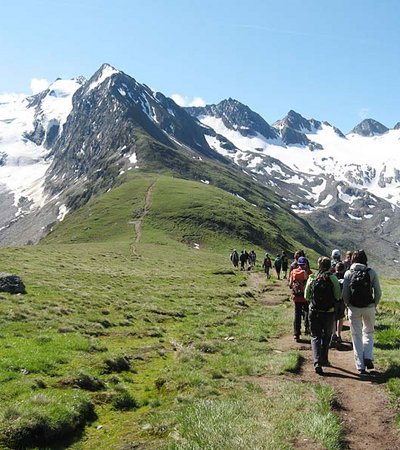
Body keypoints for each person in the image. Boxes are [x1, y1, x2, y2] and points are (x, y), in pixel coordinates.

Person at [342, 250, 382, 375]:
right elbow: (378, 292)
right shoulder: (371, 272)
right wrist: (374, 304)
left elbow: (345, 293)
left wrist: (348, 305)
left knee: (356, 336)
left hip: (354, 308)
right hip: (369, 307)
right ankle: (368, 357)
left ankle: (360, 366)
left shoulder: (348, 273)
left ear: (353, 260)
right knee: (369, 332)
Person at [305, 256, 341, 375]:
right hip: (329, 312)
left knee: (315, 336)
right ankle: (324, 359)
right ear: (329, 265)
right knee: (327, 335)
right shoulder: (333, 278)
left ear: (319, 265)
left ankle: (316, 362)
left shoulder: (313, 277)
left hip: (314, 311)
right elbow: (338, 296)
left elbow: (306, 295)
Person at [289, 256, 310, 341]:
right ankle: (307, 329)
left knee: (297, 315)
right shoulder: (308, 273)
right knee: (307, 313)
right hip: (305, 297)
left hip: (296, 297)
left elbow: (290, 285)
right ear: (305, 264)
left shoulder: (293, 272)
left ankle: (296, 333)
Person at [331, 261, 346, 346]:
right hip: (342, 300)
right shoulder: (345, 277)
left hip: (334, 300)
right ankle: (339, 335)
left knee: (333, 317)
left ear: (335, 268)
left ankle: (333, 334)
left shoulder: (333, 277)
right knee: (340, 318)